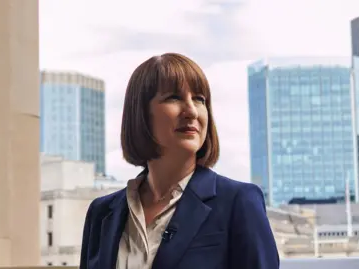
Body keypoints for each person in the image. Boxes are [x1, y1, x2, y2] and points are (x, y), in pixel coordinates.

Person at [79, 53, 279, 269]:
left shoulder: (239, 202)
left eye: (199, 99)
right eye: (174, 97)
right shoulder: (102, 213)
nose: (192, 111)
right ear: (141, 114)